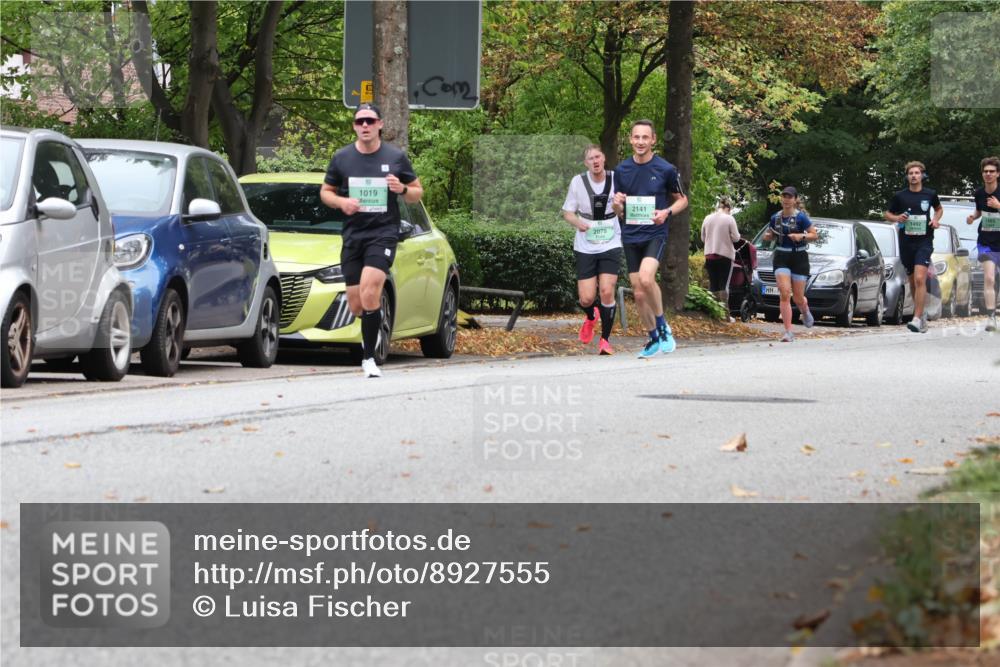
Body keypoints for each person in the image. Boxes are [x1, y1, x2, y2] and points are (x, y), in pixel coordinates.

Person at [319, 103, 423, 377]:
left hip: (383, 233)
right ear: (354, 126)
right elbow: (325, 192)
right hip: (354, 235)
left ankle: (369, 359)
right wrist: (342, 202)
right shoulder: (342, 158)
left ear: (380, 124)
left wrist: (401, 188)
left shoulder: (396, 157)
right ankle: (371, 328)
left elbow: (416, 192)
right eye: (359, 121)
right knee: (356, 304)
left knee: (370, 290)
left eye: (369, 120)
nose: (364, 125)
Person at [611, 120, 689, 358]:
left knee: (646, 279)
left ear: (653, 139)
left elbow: (682, 199)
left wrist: (666, 212)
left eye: (645, 137)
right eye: (637, 137)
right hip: (631, 234)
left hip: (655, 233)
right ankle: (653, 337)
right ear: (630, 140)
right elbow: (619, 211)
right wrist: (617, 204)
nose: (641, 142)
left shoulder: (665, 169)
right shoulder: (621, 170)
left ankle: (664, 327)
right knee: (638, 291)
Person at [561, 144, 623, 354]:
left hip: (611, 241)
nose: (595, 161)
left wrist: (617, 207)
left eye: (598, 156)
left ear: (604, 158)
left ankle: (605, 340)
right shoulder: (578, 182)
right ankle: (591, 315)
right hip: (586, 242)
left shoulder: (616, 179)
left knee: (607, 290)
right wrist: (577, 223)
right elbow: (567, 212)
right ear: (586, 163)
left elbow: (622, 210)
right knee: (586, 298)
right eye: (590, 159)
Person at [885, 161, 943, 334]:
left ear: (922, 175)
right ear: (907, 176)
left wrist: (935, 220)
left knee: (919, 279)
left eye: (917, 173)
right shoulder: (900, 196)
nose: (914, 176)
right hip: (906, 243)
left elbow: (939, 209)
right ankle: (922, 314)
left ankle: (916, 318)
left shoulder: (930, 194)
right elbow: (887, 214)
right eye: (911, 173)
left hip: (924, 242)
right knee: (912, 281)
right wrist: (897, 218)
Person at [762, 186, 817, 342]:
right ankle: (788, 332)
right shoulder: (775, 217)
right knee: (785, 293)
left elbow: (814, 235)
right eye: (784, 196)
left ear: (795, 200)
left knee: (798, 298)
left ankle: (804, 310)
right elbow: (771, 234)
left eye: (789, 197)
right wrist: (768, 236)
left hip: (799, 257)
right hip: (781, 256)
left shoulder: (801, 218)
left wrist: (801, 236)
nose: (786, 199)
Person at [967, 156, 1000, 332]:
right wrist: (973, 217)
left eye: (992, 171)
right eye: (986, 171)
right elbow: (979, 210)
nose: (988, 174)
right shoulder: (979, 193)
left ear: (998, 174)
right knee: (989, 278)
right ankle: (991, 317)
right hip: (986, 241)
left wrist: (998, 205)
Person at [701, 198, 741, 318]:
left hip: (709, 255)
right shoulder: (729, 218)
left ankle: (712, 314)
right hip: (724, 256)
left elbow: (703, 238)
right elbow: (736, 238)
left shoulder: (707, 218)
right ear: (728, 208)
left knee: (713, 285)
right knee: (724, 285)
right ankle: (724, 315)